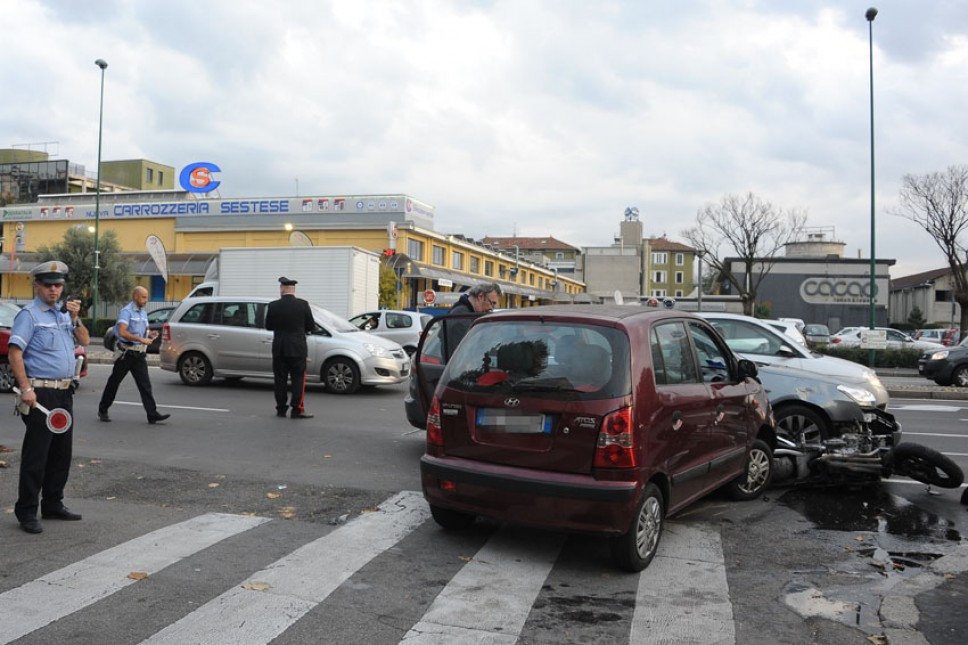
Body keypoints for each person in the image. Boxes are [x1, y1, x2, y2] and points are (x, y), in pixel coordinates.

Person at [9, 260, 90, 534]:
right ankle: (27, 510)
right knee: (37, 454)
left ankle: (53, 503)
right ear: (37, 287)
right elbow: (15, 353)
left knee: (61, 453)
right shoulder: (29, 315)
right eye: (48, 285)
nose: (54, 290)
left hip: (64, 391)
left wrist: (76, 318)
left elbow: (86, 341)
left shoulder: (63, 315)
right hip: (41, 392)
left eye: (58, 285)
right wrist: (26, 388)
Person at [97, 286, 171, 424]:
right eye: (144, 297)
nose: (146, 300)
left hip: (139, 355)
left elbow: (145, 330)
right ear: (135, 296)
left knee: (145, 385)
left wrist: (150, 334)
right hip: (126, 353)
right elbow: (123, 332)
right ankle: (103, 409)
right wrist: (141, 339)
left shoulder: (143, 313)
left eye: (147, 297)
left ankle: (152, 414)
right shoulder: (126, 312)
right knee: (114, 382)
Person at [265, 276, 315, 419]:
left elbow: (268, 326)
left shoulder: (273, 305)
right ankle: (297, 409)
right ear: (293, 290)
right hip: (297, 348)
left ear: (283, 289)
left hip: (279, 347)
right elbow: (310, 326)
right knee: (298, 379)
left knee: (280, 379)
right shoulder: (303, 305)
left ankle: (281, 409)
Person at [445, 282, 502, 354]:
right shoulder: (462, 317)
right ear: (480, 296)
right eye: (492, 303)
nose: (491, 308)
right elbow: (465, 354)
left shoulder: (461, 312)